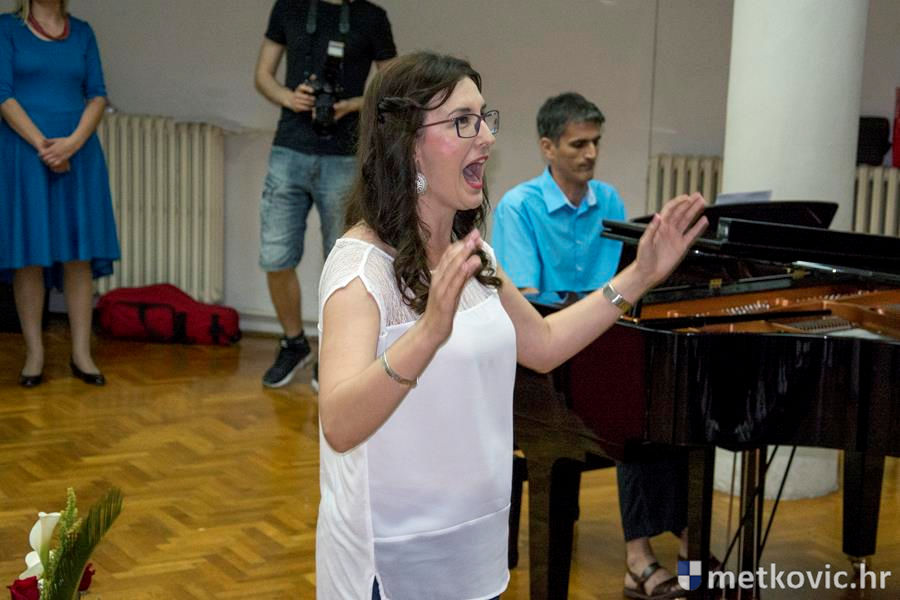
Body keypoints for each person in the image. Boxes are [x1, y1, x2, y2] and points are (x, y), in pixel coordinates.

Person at [315, 51, 707, 600]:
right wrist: (428, 334)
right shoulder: (360, 270)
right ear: (407, 144)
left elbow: (544, 344)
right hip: (396, 560)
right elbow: (338, 423)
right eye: (462, 122)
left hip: (476, 545)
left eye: (484, 118)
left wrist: (641, 275)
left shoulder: (474, 256)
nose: (486, 138)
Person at [492, 93, 699, 599]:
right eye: (578, 144)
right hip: (541, 365)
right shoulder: (519, 206)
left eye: (595, 143)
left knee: (676, 409)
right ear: (547, 147)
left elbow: (622, 290)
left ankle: (690, 548)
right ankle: (638, 559)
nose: (590, 153)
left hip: (604, 350)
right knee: (630, 413)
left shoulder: (608, 200)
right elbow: (531, 307)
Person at [254, 0, 396, 388]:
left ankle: (333, 352)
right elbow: (263, 75)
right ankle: (293, 342)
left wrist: (353, 104)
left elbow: (392, 86)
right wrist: (288, 97)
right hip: (289, 150)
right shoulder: (289, 7)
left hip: (345, 156)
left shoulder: (372, 17)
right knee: (275, 256)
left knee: (343, 267)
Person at [0, 0, 119, 387]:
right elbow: (3, 95)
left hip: (78, 155)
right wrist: (44, 147)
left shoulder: (82, 32)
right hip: (24, 154)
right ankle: (34, 354)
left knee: (78, 255)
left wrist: (71, 144)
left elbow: (97, 95)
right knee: (29, 255)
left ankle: (82, 353)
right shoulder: (6, 29)